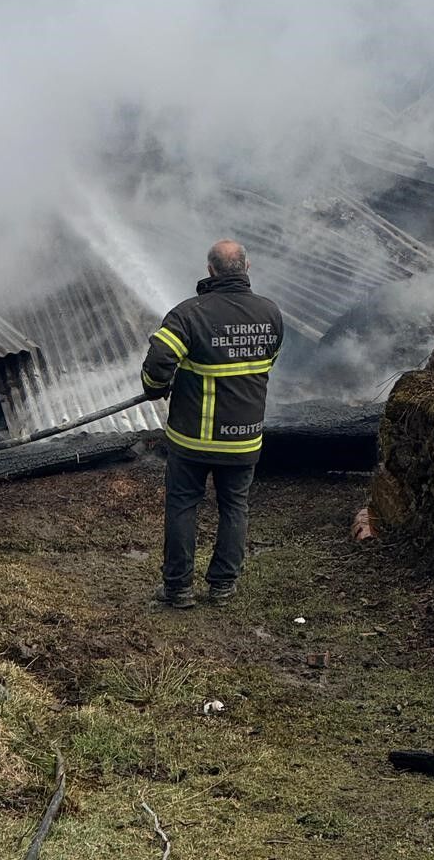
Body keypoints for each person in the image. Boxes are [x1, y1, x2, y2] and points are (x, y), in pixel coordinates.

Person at [140, 240, 284, 608]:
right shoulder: (271, 313)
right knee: (235, 507)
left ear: (210, 270)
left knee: (182, 505)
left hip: (194, 439)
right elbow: (269, 360)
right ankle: (223, 585)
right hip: (245, 437)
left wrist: (156, 387)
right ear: (247, 267)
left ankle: (178, 588)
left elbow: (159, 360)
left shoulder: (189, 314)